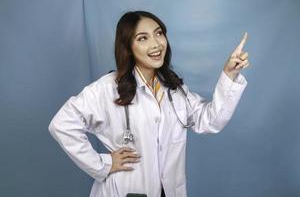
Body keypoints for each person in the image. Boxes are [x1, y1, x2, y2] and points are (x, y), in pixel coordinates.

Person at [48, 11, 249, 197]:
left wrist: (229, 74)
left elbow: (211, 120)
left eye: (159, 34)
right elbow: (62, 125)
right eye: (142, 38)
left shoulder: (174, 89)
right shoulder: (108, 88)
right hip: (125, 191)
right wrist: (103, 164)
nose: (156, 44)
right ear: (128, 47)